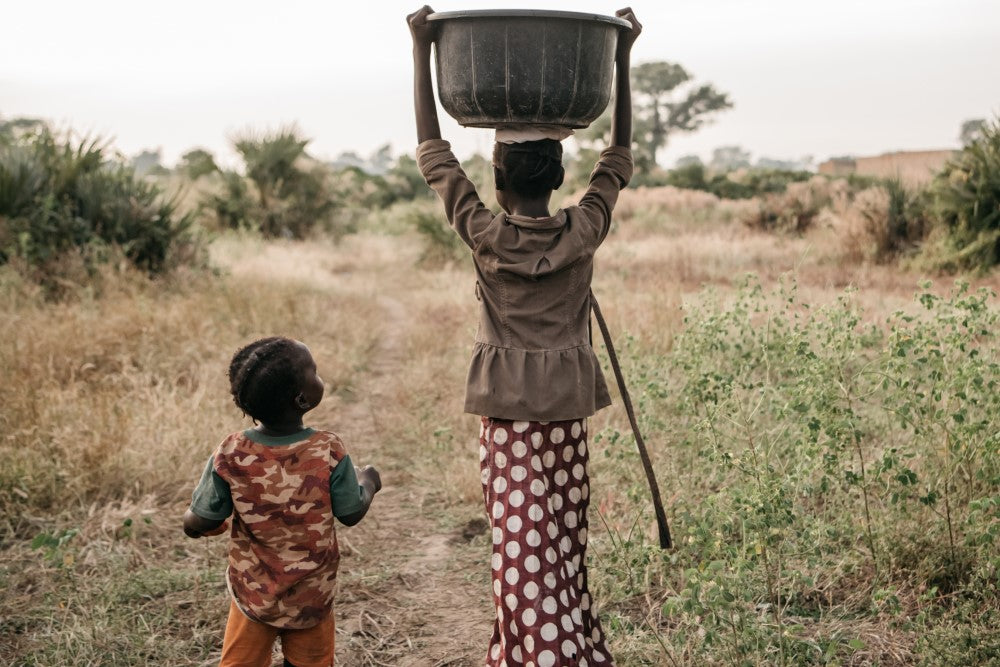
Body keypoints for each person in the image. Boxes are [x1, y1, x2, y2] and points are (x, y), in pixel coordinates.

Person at [408, 6, 641, 665]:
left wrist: (421, 51)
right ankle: (560, 647)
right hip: (565, 412)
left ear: (499, 179)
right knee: (561, 544)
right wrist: (621, 56)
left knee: (518, 547)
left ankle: (541, 655)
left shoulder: (485, 233)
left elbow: (433, 153)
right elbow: (617, 158)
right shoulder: (584, 227)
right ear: (561, 176)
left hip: (508, 415)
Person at [182, 336, 382, 667]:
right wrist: (369, 482)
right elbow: (350, 512)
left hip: (253, 596)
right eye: (314, 371)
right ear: (302, 399)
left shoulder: (231, 453)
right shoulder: (327, 449)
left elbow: (201, 518)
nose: (320, 377)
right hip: (311, 598)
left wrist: (194, 527)